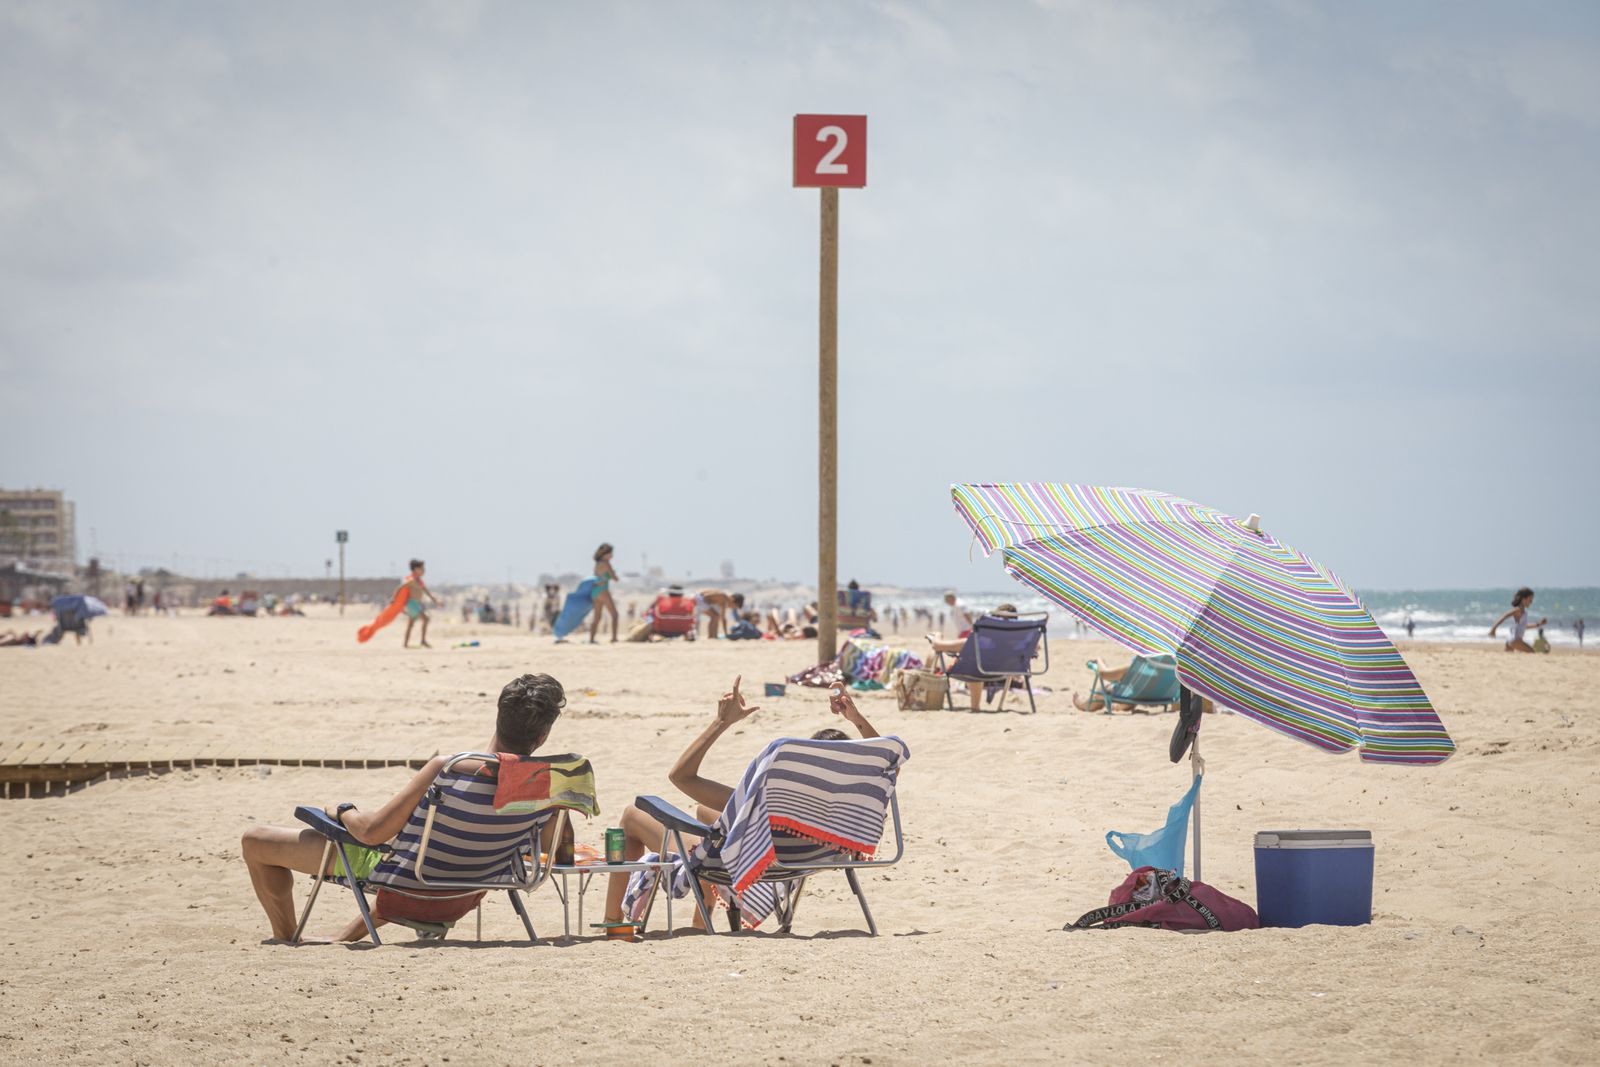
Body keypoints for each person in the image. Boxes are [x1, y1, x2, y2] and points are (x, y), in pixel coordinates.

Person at [240, 673, 567, 942]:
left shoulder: (448, 768)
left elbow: (371, 833)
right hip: (465, 889)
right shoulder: (546, 785)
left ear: (498, 716)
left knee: (255, 841)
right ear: (542, 737)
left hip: (407, 880)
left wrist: (342, 811)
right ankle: (342, 936)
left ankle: (285, 936)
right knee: (416, 852)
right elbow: (557, 852)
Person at [601, 676, 879, 930]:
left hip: (751, 859)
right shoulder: (854, 807)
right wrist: (855, 718)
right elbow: (885, 762)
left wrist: (721, 722)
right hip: (805, 858)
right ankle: (701, 920)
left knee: (631, 814)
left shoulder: (772, 801)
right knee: (706, 812)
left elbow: (680, 776)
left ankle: (612, 923)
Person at [927, 603, 1020, 711]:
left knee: (932, 656)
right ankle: (975, 706)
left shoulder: (978, 640)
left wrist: (938, 635)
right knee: (976, 661)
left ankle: (975, 707)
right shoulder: (1019, 640)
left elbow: (937, 646)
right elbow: (1036, 648)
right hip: (1003, 673)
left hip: (977, 672)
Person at [400, 560, 442, 648]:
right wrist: (395, 599)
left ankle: (405, 644)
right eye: (422, 568)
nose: (424, 570)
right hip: (412, 604)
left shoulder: (420, 581)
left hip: (417, 604)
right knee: (426, 619)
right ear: (416, 569)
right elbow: (400, 588)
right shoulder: (411, 580)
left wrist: (435, 600)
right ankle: (422, 641)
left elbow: (426, 591)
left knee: (411, 624)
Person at [1489, 587, 1546, 653]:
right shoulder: (1518, 610)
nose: (1531, 602)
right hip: (1515, 640)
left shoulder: (1524, 612)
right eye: (1530, 599)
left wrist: (1539, 624)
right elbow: (1504, 616)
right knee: (1532, 652)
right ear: (1523, 599)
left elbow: (1524, 627)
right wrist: (1493, 629)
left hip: (1510, 641)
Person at [589, 543, 619, 644]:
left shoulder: (597, 563)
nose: (612, 556)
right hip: (603, 590)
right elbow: (615, 578)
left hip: (595, 591)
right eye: (611, 553)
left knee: (597, 618)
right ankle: (614, 638)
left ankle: (591, 639)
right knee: (615, 615)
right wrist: (613, 574)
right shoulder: (606, 563)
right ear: (605, 554)